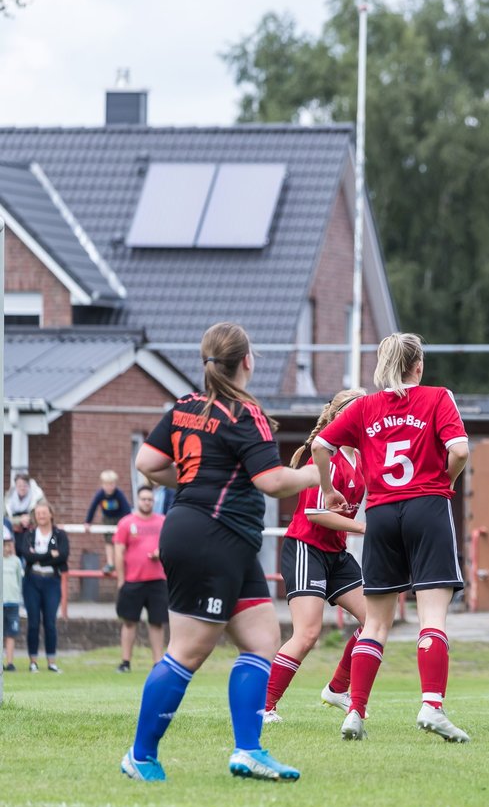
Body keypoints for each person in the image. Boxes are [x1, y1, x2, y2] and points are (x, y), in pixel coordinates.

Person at [123, 322, 318, 783]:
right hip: (211, 537)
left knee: (261, 639)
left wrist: (190, 480)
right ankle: (140, 755)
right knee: (188, 651)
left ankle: (249, 751)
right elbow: (271, 482)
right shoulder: (245, 413)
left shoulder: (185, 407)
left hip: (219, 538)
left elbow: (147, 464)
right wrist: (313, 477)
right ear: (247, 361)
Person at [312, 333, 471, 744]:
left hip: (381, 514)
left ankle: (354, 712)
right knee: (431, 617)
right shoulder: (437, 397)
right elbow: (460, 450)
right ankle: (432, 706)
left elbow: (321, 444)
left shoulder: (365, 406)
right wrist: (444, 482)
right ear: (418, 366)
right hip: (427, 507)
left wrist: (329, 491)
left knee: (376, 623)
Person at [264, 388, 369, 723]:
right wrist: (367, 529)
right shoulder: (324, 459)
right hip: (306, 549)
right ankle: (263, 707)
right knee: (307, 634)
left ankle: (338, 688)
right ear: (342, 418)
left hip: (336, 552)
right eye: (360, 411)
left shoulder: (362, 458)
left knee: (374, 622)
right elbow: (314, 514)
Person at [113, 486, 168, 673]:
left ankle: (158, 662)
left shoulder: (163, 522)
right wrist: (121, 579)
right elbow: (119, 551)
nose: (147, 502)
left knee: (157, 622)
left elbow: (170, 546)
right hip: (133, 581)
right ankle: (125, 662)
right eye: (144, 499)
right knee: (129, 621)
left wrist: (160, 553)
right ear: (138, 500)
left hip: (157, 580)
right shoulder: (126, 523)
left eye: (150, 499)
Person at [16, 500, 69, 672]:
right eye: (38, 513)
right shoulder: (30, 535)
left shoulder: (59, 534)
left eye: (44, 512)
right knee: (33, 622)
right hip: (32, 580)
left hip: (51, 581)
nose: (41, 516)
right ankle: (33, 661)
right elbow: (27, 557)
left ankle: (51, 661)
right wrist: (48, 555)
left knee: (50, 622)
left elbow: (62, 556)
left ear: (51, 514)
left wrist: (38, 556)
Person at [85, 469, 131, 576]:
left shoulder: (119, 494)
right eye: (106, 484)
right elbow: (93, 507)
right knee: (109, 541)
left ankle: (121, 563)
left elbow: (126, 509)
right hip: (107, 519)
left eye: (111, 484)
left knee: (119, 542)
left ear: (115, 484)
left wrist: (127, 522)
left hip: (120, 519)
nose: (109, 487)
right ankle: (110, 564)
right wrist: (88, 522)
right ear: (102, 484)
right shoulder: (100, 494)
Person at [3, 526, 22, 671]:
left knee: (11, 633)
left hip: (13, 602)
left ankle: (10, 662)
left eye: (8, 545)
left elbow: (19, 581)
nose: (6, 548)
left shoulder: (16, 561)